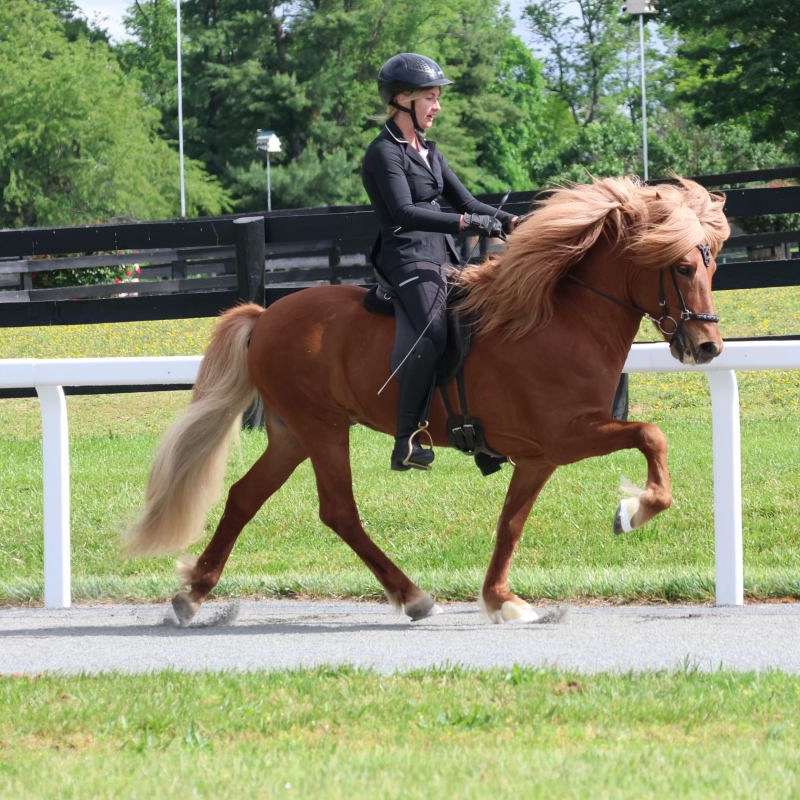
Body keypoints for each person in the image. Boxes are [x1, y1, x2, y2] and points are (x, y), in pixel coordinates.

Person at [362, 52, 518, 472]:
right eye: (431, 97)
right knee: (430, 334)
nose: (437, 106)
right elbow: (403, 211)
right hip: (406, 257)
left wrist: (512, 221)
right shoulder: (384, 153)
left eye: (437, 97)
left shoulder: (430, 152)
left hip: (443, 256)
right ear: (403, 99)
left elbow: (466, 200)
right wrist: (467, 222)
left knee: (484, 321)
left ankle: (481, 433)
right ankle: (406, 439)